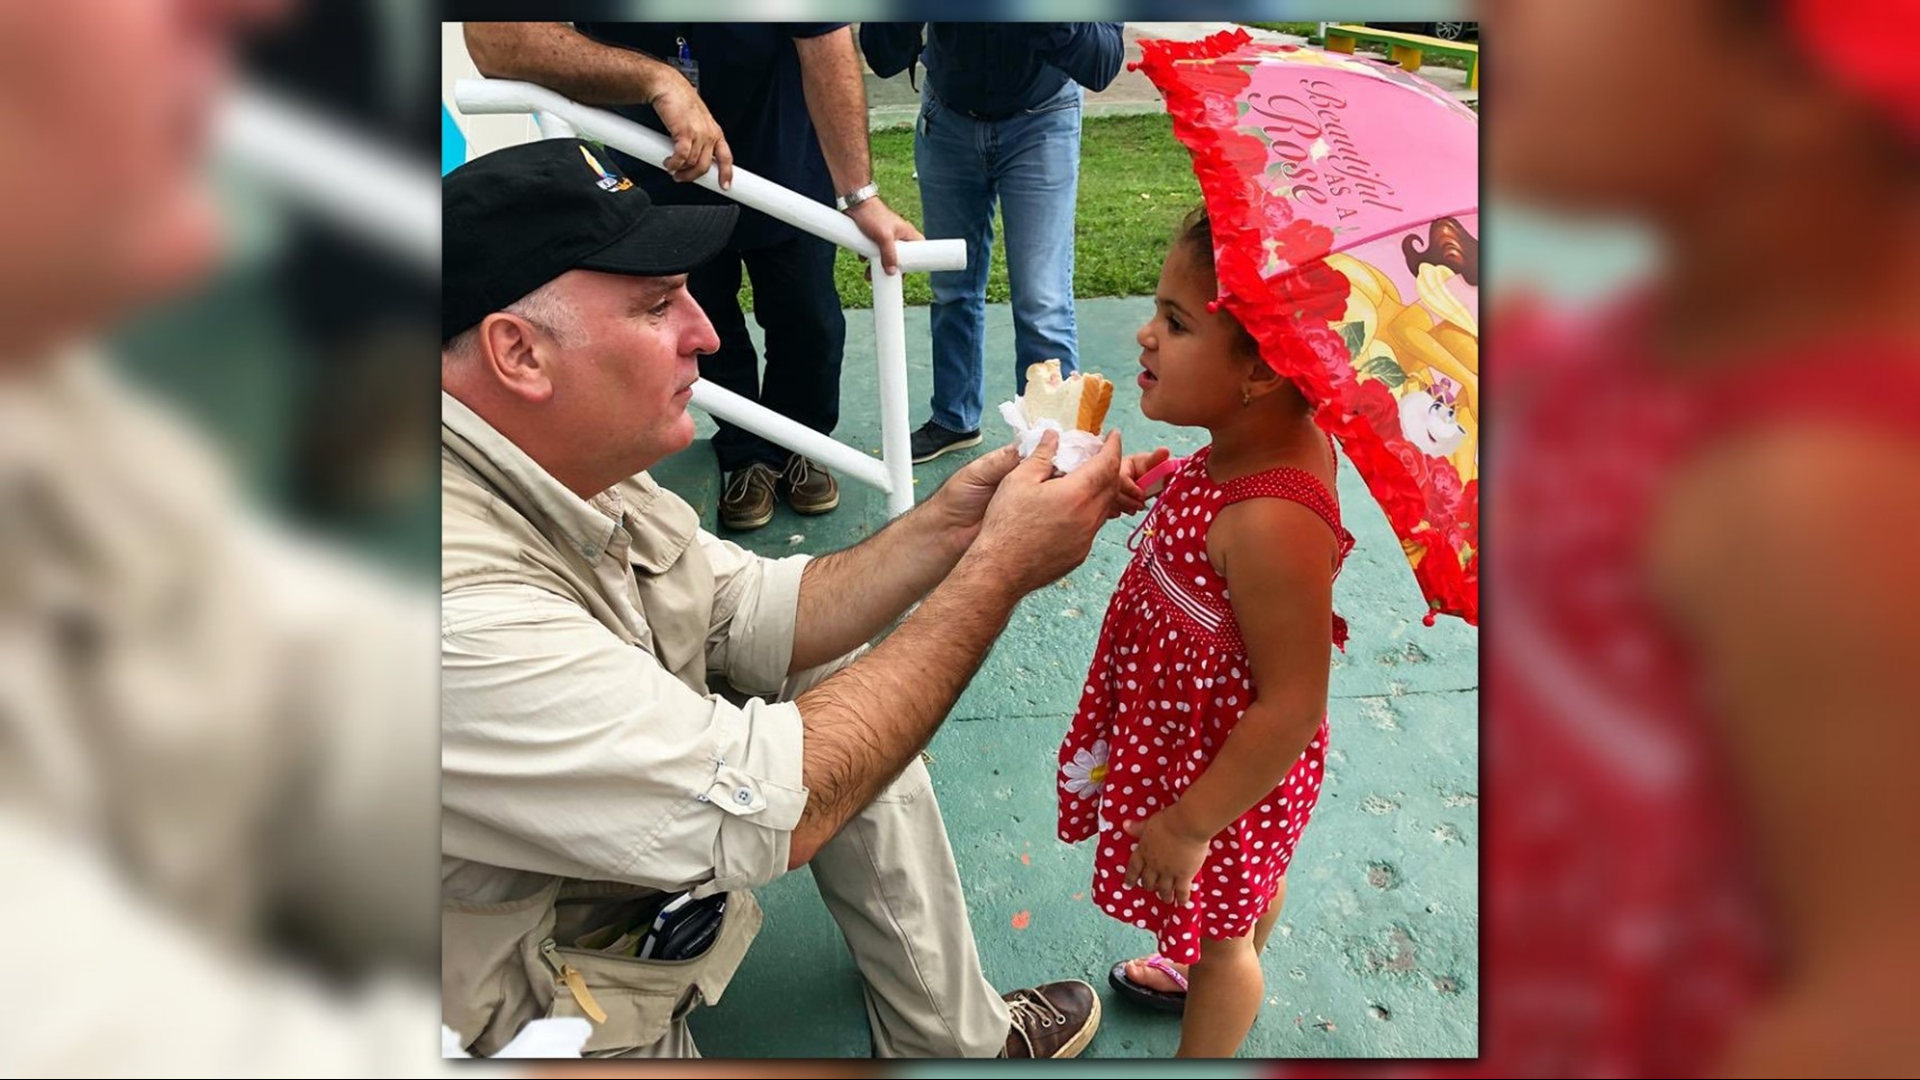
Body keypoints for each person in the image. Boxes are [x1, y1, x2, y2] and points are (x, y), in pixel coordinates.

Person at [439, 137, 1123, 1059]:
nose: (708, 332)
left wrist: (957, 526)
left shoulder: (545, 450)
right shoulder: (451, 612)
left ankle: (947, 1040)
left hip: (528, 871)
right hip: (467, 1014)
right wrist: (995, 573)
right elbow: (770, 806)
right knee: (818, 754)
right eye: (656, 304)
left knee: (830, 674)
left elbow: (747, 611)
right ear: (517, 352)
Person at [1052, 208, 1353, 1057]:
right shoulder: (1246, 446)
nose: (1144, 335)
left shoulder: (1270, 524)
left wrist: (1189, 825)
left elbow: (1293, 705)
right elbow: (1231, 472)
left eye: (1176, 323)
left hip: (1226, 772)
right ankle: (1232, 936)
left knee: (1224, 944)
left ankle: (1218, 991)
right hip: (1204, 752)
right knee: (1247, 893)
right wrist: (1168, 475)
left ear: (1259, 370)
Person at [465, 22, 924, 531]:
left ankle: (801, 443)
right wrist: (657, 79)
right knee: (703, 331)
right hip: (665, 170)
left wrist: (860, 195)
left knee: (809, 322)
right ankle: (745, 454)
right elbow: (493, 39)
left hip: (786, 164)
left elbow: (825, 44)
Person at [858, 23, 1125, 464]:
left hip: (1043, 120)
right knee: (951, 287)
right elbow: (882, 54)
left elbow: (1101, 62)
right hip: (948, 118)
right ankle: (954, 418)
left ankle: (1054, 453)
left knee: (1043, 302)